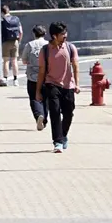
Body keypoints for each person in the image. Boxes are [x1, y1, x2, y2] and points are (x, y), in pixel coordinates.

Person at [38, 19, 80, 153]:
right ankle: (57, 141)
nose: (65, 36)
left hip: (68, 86)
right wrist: (38, 91)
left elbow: (75, 66)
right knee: (55, 112)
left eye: (65, 33)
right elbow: (42, 71)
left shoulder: (70, 48)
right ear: (54, 36)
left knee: (68, 113)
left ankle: (63, 135)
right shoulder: (45, 50)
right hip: (52, 84)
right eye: (62, 34)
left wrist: (77, 84)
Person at [25, 24, 49, 131]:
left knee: (34, 98)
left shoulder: (29, 45)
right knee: (46, 99)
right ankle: (44, 119)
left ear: (34, 34)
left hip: (32, 76)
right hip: (47, 77)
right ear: (45, 34)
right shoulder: (49, 45)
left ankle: (38, 115)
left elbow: (24, 60)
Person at [0, 2, 23, 81]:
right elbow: (21, 31)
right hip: (15, 41)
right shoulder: (16, 19)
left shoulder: (2, 21)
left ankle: (5, 78)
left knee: (6, 61)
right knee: (14, 60)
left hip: (5, 42)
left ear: (2, 12)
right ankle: (15, 79)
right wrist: (18, 41)